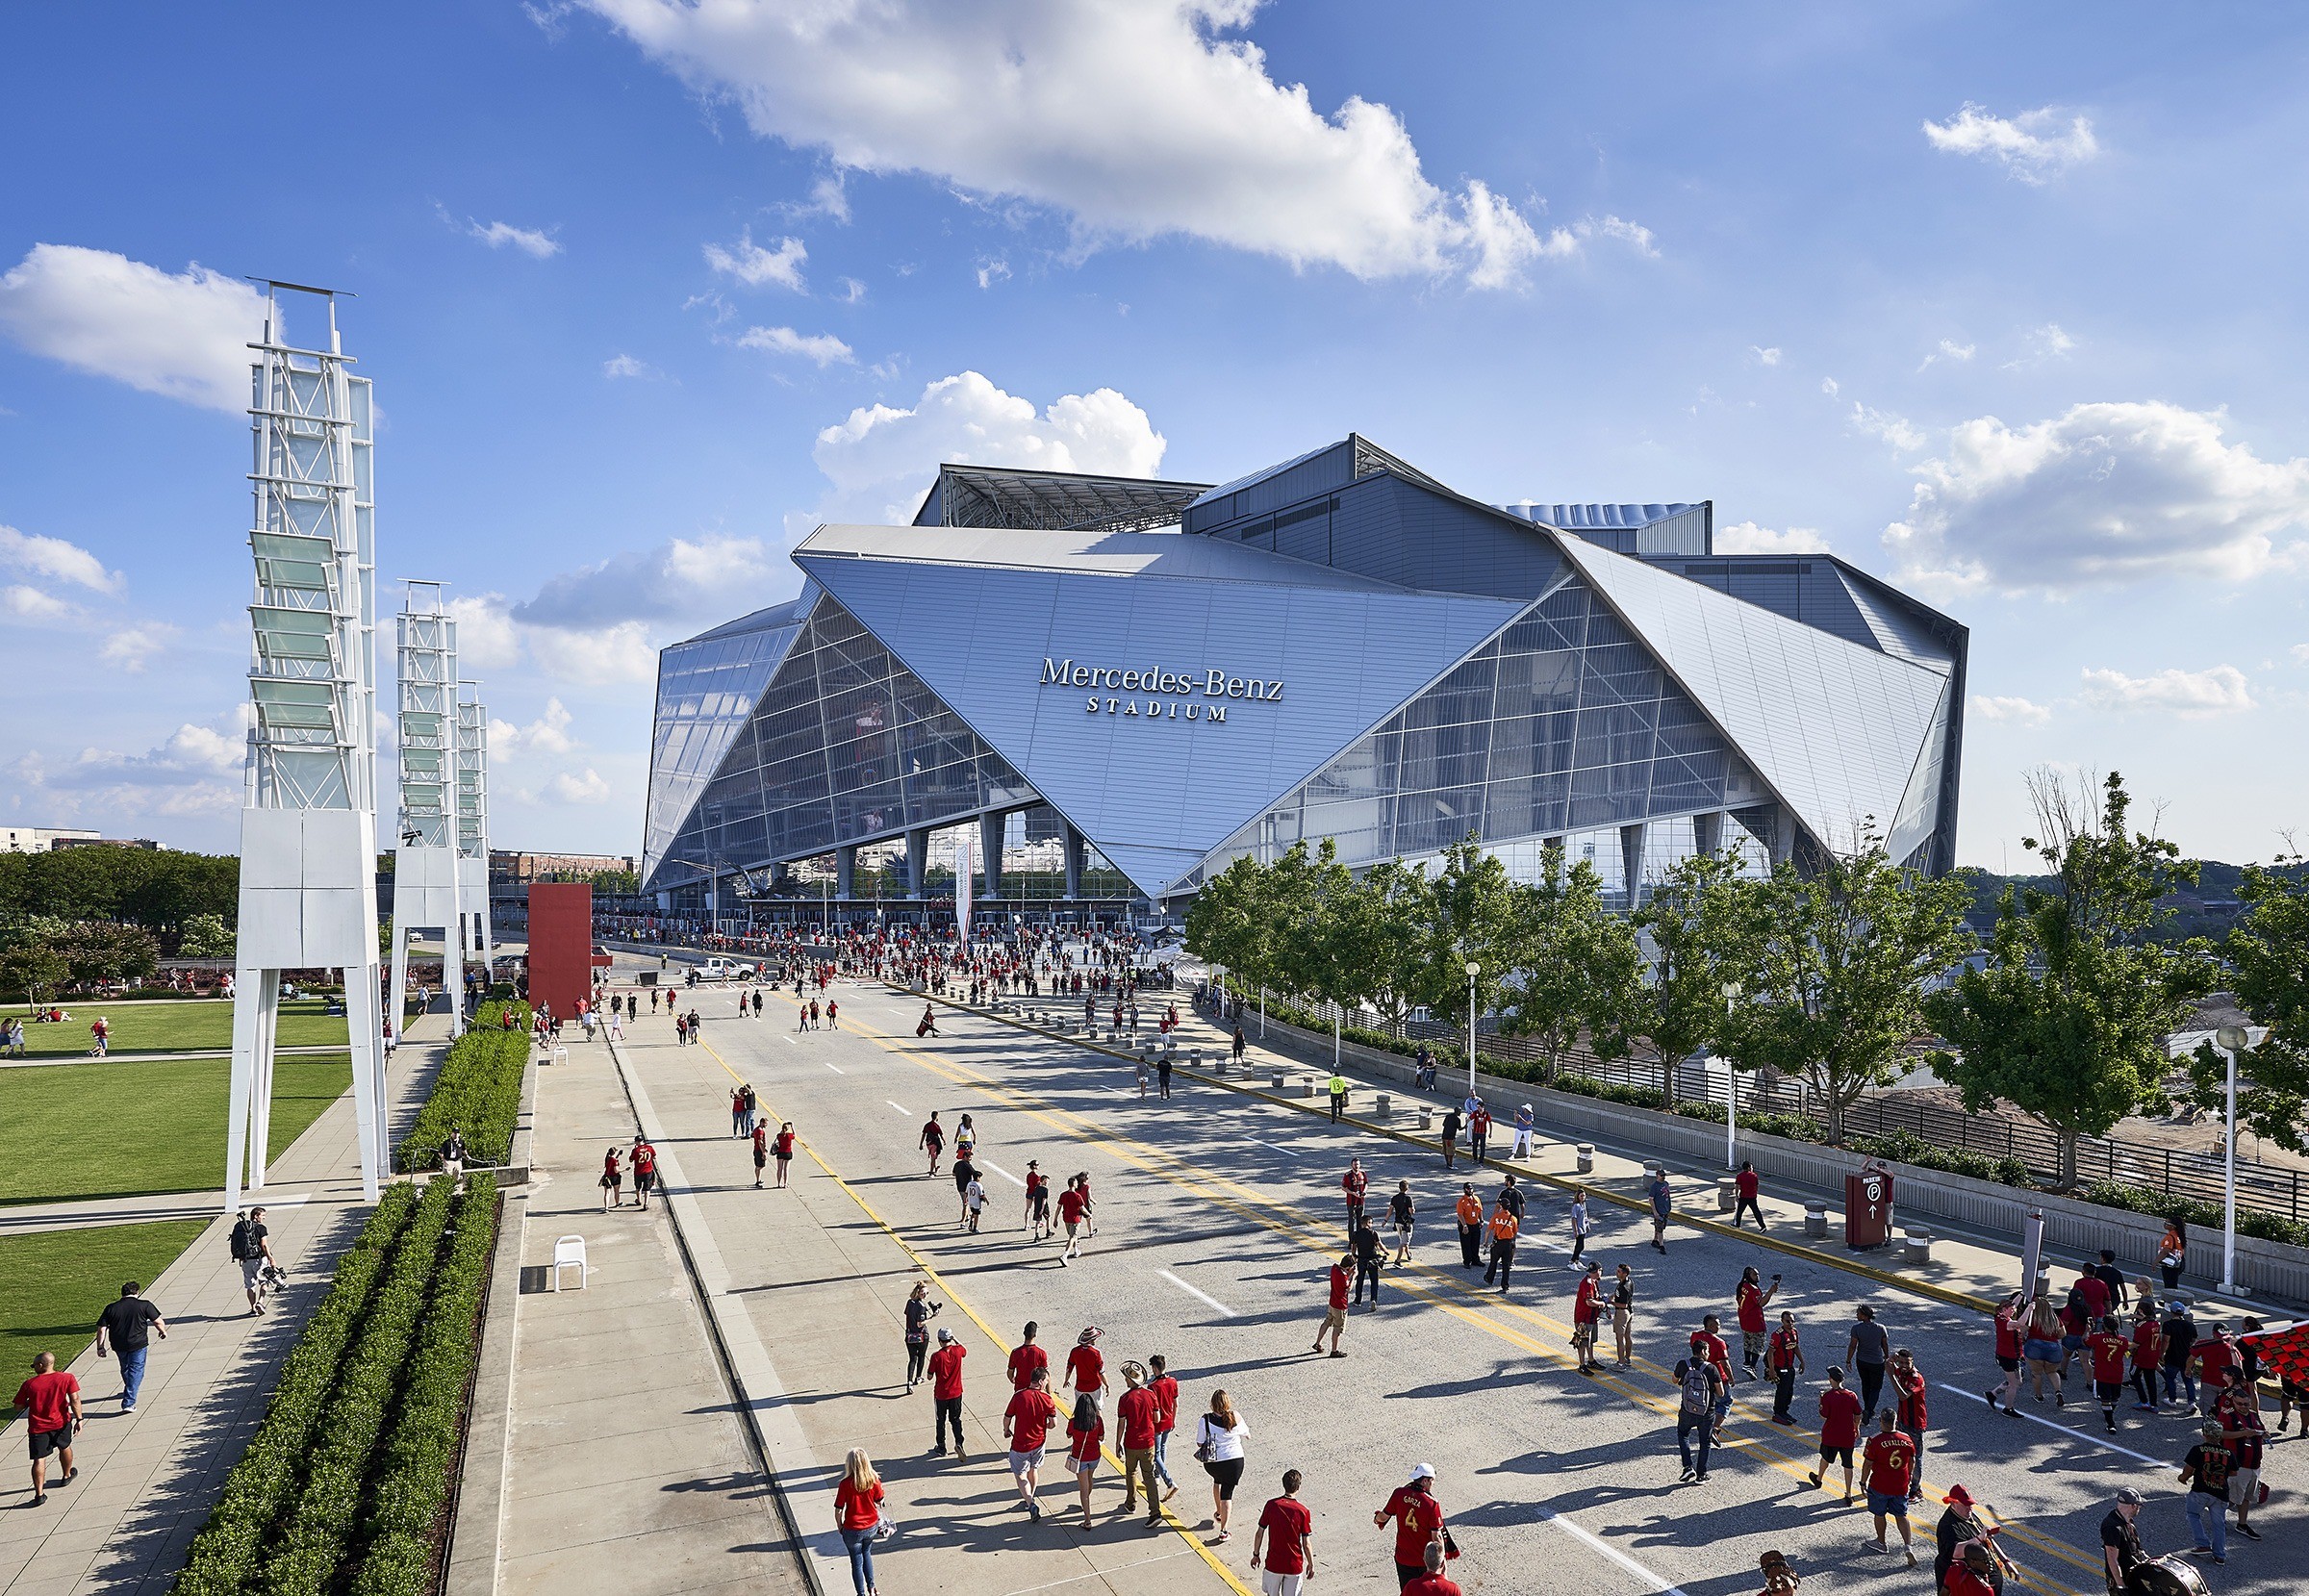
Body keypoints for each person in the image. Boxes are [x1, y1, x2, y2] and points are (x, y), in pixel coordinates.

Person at [14, 1350, 82, 1507]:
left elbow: (18, 1406)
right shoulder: (67, 1378)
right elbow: (75, 1399)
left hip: (38, 1428)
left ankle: (39, 1494)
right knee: (65, 1447)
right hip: (61, 1423)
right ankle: (66, 1475)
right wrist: (79, 1419)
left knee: (39, 1459)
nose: (33, 1369)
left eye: (34, 1366)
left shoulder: (29, 1384)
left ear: (40, 1365)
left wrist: (30, 1403)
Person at [94, 1281, 165, 1412]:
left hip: (118, 1344)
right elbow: (158, 1321)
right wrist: (162, 1331)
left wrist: (100, 1347)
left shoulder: (111, 1308)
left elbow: (101, 1329)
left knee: (126, 1368)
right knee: (136, 1370)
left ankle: (129, 1388)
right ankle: (129, 1402)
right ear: (137, 1292)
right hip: (138, 1344)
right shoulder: (144, 1305)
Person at [1375, 1462, 1449, 1587]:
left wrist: (1376, 1519)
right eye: (1432, 1481)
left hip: (1403, 1558)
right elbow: (1437, 1537)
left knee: (1407, 1591)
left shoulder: (1399, 1494)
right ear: (1425, 1481)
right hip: (1424, 1561)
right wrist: (1441, 1562)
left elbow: (1383, 1516)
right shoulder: (1431, 1504)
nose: (1433, 1484)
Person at [1860, 1410, 1919, 1565]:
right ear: (1895, 1420)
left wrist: (1862, 1482)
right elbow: (1912, 1460)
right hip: (1900, 1485)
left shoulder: (1875, 1440)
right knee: (1901, 1515)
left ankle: (1881, 1542)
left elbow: (1868, 1463)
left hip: (1880, 1484)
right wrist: (1909, 1476)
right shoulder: (1906, 1439)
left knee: (1880, 1514)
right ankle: (1908, 1546)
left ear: (1881, 1421)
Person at [2212, 1381, 2266, 1541]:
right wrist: (2242, 1434)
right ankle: (2217, 1519)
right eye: (2240, 1404)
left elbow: (2259, 1430)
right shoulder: (2227, 1415)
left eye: (2247, 1404)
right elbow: (2220, 1434)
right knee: (2229, 1497)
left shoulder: (2254, 1416)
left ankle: (2242, 1524)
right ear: (2233, 1402)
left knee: (2246, 1497)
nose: (2243, 1407)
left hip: (2254, 1465)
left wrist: (2263, 1434)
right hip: (2237, 1465)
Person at [1195, 1390, 1250, 1543]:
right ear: (1228, 1403)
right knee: (1227, 1494)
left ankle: (1219, 1512)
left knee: (1217, 1481)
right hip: (1234, 1462)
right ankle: (1224, 1531)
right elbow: (1246, 1433)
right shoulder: (1235, 1416)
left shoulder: (1205, 1420)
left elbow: (1200, 1443)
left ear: (1212, 1404)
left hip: (1213, 1463)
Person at [1252, 1468, 1315, 1595]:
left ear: (1283, 1484)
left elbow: (1259, 1533)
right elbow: (1306, 1544)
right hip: (1294, 1565)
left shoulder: (1271, 1505)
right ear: (1298, 1487)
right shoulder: (1303, 1511)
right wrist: (1311, 1564)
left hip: (1274, 1563)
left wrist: (1256, 1555)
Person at [2178, 1419, 2233, 1562]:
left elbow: (2189, 1469)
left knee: (2192, 1514)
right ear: (2220, 1436)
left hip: (2201, 1491)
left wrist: (2182, 1478)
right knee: (2219, 1524)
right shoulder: (2228, 1453)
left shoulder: (2198, 1450)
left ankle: (2202, 1544)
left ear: (2204, 1435)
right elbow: (2233, 1472)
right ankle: (2220, 1554)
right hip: (2221, 1494)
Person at [834, 1448, 885, 1596]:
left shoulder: (845, 1484)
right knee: (867, 1553)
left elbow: (838, 1509)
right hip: (871, 1526)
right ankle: (871, 1587)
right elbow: (880, 1501)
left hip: (852, 1529)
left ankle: (861, 1593)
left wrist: (840, 1525)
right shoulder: (873, 1480)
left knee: (856, 1562)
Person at [1808, 1366, 1863, 1502]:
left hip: (1831, 1435)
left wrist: (1821, 1402)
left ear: (1831, 1379)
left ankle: (1819, 1479)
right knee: (1848, 1464)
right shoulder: (1851, 1395)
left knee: (1825, 1458)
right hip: (1847, 1436)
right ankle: (1849, 1493)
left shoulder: (1827, 1396)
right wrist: (1856, 1427)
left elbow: (1823, 1416)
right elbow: (1858, 1414)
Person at [1933, 1486, 2002, 1593]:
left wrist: (2006, 1561)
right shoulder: (1949, 1526)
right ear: (1953, 1503)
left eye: (1970, 1504)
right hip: (1965, 1583)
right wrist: (1979, 1538)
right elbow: (1956, 1552)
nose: (1970, 1508)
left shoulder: (1968, 1515)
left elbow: (1987, 1540)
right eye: (1965, 1505)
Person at [1117, 1362, 1161, 1524]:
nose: (1125, 1381)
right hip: (1148, 1442)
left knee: (1131, 1472)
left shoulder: (1124, 1399)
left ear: (1130, 1380)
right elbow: (1157, 1418)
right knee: (1149, 1476)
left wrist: (1117, 1444)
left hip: (1131, 1442)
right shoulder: (1151, 1395)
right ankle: (1155, 1512)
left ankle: (1131, 1503)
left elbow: (1121, 1424)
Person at [1671, 1344, 1722, 1482]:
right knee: (1705, 1442)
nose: (1709, 1353)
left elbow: (1674, 1380)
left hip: (1687, 1409)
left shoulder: (1683, 1364)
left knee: (1683, 1434)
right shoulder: (1711, 1368)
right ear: (1703, 1351)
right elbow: (1721, 1393)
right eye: (1708, 1351)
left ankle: (1687, 1468)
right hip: (1706, 1412)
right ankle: (1701, 1474)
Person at [1890, 1347, 1929, 1499]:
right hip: (1902, 1420)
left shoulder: (1916, 1377)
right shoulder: (1902, 1371)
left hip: (1915, 1424)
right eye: (1902, 1362)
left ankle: (1915, 1488)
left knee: (1916, 1456)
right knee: (1901, 1452)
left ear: (1912, 1361)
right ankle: (1902, 1480)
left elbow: (1903, 1395)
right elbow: (1888, 1364)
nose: (1905, 1365)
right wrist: (1891, 1360)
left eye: (1908, 1362)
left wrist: (1891, 1375)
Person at [2084, 1315, 2132, 1433]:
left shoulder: (2098, 1337)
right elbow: (2127, 1351)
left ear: (2104, 1325)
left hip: (2102, 1373)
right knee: (2115, 1397)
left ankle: (2110, 1423)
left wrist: (2087, 1331)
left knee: (2105, 1399)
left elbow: (2086, 1342)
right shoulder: (2123, 1339)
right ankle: (2110, 1413)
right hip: (2117, 1373)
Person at [927, 1328, 968, 1458]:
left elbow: (929, 1376)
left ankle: (941, 1447)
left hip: (941, 1394)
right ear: (950, 1339)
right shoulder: (958, 1351)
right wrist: (954, 1339)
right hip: (956, 1393)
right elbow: (964, 1349)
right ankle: (959, 1442)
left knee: (941, 1421)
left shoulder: (936, 1356)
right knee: (956, 1419)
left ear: (939, 1341)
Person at [1845, 1304, 1890, 1420]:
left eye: (1858, 1313)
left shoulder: (1856, 1328)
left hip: (1862, 1361)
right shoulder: (1880, 1328)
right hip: (1877, 1362)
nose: (1856, 1315)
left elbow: (1852, 1346)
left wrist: (1848, 1360)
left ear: (1865, 1316)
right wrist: (1886, 1356)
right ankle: (1869, 1410)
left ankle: (1867, 1409)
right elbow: (1884, 1344)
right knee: (1875, 1388)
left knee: (1866, 1384)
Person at [2101, 1487, 2149, 1593]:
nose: (2139, 1509)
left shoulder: (2127, 1521)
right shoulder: (2113, 1527)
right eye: (2138, 1506)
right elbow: (2112, 1559)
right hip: (2122, 1580)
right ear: (2133, 1506)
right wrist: (2121, 1585)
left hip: (2132, 1575)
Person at [231, 1205, 276, 1316]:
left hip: (246, 1260)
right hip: (260, 1260)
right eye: (263, 1216)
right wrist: (271, 1258)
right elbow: (264, 1246)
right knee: (264, 1281)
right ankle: (260, 1302)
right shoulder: (261, 1228)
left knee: (250, 1286)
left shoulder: (241, 1228)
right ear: (256, 1216)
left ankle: (252, 1309)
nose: (264, 1218)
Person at [1736, 1267, 1780, 1379]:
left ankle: (1746, 1362)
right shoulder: (1753, 1289)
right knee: (1758, 1345)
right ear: (1748, 1275)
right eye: (1755, 1275)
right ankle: (1752, 1366)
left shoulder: (1743, 1286)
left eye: (1757, 1274)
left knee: (1747, 1342)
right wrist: (1771, 1291)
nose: (1757, 1277)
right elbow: (1761, 1303)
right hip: (1755, 1322)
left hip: (1744, 1320)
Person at [1149, 1353, 1181, 1504]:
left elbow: (1152, 1409)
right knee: (1162, 1449)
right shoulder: (1173, 1381)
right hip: (1169, 1421)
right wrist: (1173, 1419)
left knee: (1155, 1454)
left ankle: (1168, 1481)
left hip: (1157, 1424)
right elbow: (1176, 1404)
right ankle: (1157, 1475)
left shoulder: (1153, 1387)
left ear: (1155, 1368)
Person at [1767, 1310, 1805, 1424]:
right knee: (1782, 1392)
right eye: (1787, 1321)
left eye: (1792, 1321)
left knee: (1789, 1391)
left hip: (1790, 1367)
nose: (1790, 1323)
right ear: (1782, 1321)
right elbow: (1770, 1353)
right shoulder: (1777, 1335)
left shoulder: (1794, 1332)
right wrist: (1772, 1371)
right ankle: (1778, 1414)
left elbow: (1795, 1347)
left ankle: (1784, 1412)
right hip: (1780, 1368)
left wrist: (1802, 1361)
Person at [902, 1282, 941, 1391]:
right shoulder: (922, 1307)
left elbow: (908, 1316)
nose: (925, 1295)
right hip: (921, 1336)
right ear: (918, 1292)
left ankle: (909, 1382)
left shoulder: (909, 1302)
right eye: (923, 1293)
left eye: (926, 1293)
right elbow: (920, 1323)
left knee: (912, 1359)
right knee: (921, 1357)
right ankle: (918, 1377)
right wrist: (932, 1317)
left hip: (910, 1335)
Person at [1313, 1254, 1350, 1357]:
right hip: (1340, 1306)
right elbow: (1348, 1288)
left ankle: (1317, 1343)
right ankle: (1334, 1350)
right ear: (1348, 1268)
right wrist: (1353, 1275)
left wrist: (1348, 1273)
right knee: (1337, 1329)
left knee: (1327, 1322)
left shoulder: (1334, 1268)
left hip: (1332, 1303)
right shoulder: (1343, 1276)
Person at [1571, 1262, 1604, 1375]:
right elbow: (1589, 1302)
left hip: (1592, 1317)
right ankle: (1582, 1364)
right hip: (1583, 1318)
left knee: (1590, 1341)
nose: (1594, 1274)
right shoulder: (1587, 1283)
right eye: (1592, 1272)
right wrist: (1602, 1304)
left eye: (1595, 1272)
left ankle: (1591, 1360)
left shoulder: (1594, 1281)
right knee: (1582, 1342)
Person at [1482, 1197, 1518, 1292]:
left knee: (1493, 1262)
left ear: (1501, 1206)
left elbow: (1488, 1230)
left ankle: (1489, 1278)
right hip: (1508, 1244)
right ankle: (1505, 1286)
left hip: (1498, 1243)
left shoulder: (1496, 1217)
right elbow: (1514, 1232)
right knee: (1506, 1266)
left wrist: (1486, 1242)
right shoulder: (1513, 1219)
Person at [1066, 1326, 1108, 1406]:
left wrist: (1066, 1380)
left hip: (1080, 1387)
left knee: (1080, 1411)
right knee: (1098, 1411)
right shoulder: (1096, 1353)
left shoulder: (1074, 1351)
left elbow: (1069, 1368)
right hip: (1095, 1386)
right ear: (1092, 1340)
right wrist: (1107, 1385)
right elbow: (1101, 1372)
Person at [1008, 1321, 1049, 1393]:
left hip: (1020, 1390)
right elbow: (1045, 1374)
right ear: (1035, 1335)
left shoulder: (1015, 1352)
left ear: (1024, 1334)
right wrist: (1048, 1392)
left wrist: (1012, 1379)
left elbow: (1010, 1372)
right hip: (1036, 1390)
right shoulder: (1041, 1353)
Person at [1057, 1176, 1090, 1264]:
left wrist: (1055, 1219)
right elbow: (1082, 1209)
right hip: (1075, 1219)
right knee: (1072, 1237)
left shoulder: (1063, 1194)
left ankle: (1076, 1250)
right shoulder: (1077, 1196)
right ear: (1074, 1184)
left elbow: (1059, 1207)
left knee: (1072, 1236)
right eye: (1076, 1183)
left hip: (1066, 1218)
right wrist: (1089, 1214)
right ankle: (1065, 1255)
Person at [1352, 1218, 1383, 1308]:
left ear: (1361, 1224)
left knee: (1360, 1281)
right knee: (1374, 1281)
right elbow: (1379, 1245)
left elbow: (1353, 1248)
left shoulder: (1356, 1234)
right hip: (1372, 1260)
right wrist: (1386, 1252)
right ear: (1368, 1223)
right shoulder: (1373, 1233)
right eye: (1371, 1223)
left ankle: (1358, 1300)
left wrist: (1354, 1256)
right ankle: (1373, 1299)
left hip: (1361, 1260)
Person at [1611, 1264, 1637, 1367]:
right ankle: (1627, 1359)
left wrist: (1610, 1302)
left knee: (1619, 1339)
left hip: (1622, 1312)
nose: (1617, 1273)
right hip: (1629, 1311)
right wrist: (1611, 1297)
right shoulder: (1628, 1281)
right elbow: (1617, 1294)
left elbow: (1623, 1304)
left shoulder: (1623, 1288)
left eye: (1619, 1271)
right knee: (1627, 1336)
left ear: (1625, 1273)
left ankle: (1620, 1363)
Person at [1454, 1183, 1483, 1269]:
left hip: (1475, 1224)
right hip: (1466, 1225)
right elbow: (1460, 1214)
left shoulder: (1476, 1199)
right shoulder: (1462, 1201)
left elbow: (1480, 1210)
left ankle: (1475, 1260)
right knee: (1466, 1244)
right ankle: (1467, 1261)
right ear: (1464, 1190)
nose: (1470, 1191)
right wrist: (1464, 1226)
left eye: (1471, 1189)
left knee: (1476, 1243)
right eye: (1468, 1189)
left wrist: (1481, 1220)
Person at [1386, 1180, 1416, 1265]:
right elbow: (1411, 1211)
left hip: (1397, 1222)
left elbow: (1390, 1210)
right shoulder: (1408, 1198)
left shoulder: (1394, 1198)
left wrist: (1385, 1220)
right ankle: (1397, 1261)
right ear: (1407, 1188)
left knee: (1404, 1240)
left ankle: (1408, 1255)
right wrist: (1413, 1209)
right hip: (1406, 1223)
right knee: (1403, 1243)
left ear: (1399, 1187)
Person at [1733, 1159, 1765, 1229]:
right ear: (1748, 1168)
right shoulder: (1754, 1176)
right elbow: (1756, 1186)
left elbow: (1737, 1186)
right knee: (1756, 1212)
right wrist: (1755, 1194)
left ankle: (1737, 1225)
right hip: (1752, 1197)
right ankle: (1762, 1226)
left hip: (1743, 1196)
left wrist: (1736, 1195)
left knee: (1739, 1212)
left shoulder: (1739, 1176)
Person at [1647, 1167, 1672, 1253]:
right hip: (1659, 1211)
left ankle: (1655, 1240)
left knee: (1660, 1227)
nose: (1663, 1177)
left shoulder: (1666, 1184)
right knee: (1660, 1229)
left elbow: (1667, 1197)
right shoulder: (1654, 1186)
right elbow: (1651, 1199)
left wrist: (1669, 1207)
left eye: (1664, 1175)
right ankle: (1661, 1245)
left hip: (1665, 1209)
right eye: (1661, 1175)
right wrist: (1655, 1212)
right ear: (1657, 1176)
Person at [1342, 1158, 1369, 1236]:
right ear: (1352, 1165)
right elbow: (1343, 1187)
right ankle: (1351, 1240)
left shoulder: (1363, 1173)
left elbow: (1366, 1184)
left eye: (1357, 1164)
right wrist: (1352, 1193)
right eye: (1355, 1164)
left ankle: (1359, 1239)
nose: (1356, 1166)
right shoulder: (1348, 1175)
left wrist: (1364, 1191)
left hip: (1360, 1201)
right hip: (1351, 1202)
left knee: (1360, 1221)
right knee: (1351, 1221)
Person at [630, 1135, 658, 1211]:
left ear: (636, 1142)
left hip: (638, 1171)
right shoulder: (649, 1148)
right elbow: (654, 1157)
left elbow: (631, 1159)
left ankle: (639, 1200)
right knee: (647, 1188)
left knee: (638, 1187)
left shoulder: (635, 1150)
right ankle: (646, 1203)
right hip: (648, 1171)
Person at [1025, 1160, 1051, 1239]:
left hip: (1029, 1192)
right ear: (1035, 1166)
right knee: (1038, 1208)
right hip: (1036, 1194)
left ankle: (1027, 1224)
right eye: (1038, 1164)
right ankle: (1039, 1222)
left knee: (1028, 1209)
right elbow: (1037, 1186)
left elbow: (1029, 1184)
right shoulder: (1037, 1177)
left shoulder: (1029, 1175)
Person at [2158, 1221, 2186, 1290]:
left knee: (2169, 1285)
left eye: (2167, 1223)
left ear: (2173, 1226)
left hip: (2170, 1264)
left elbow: (2165, 1251)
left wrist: (2155, 1262)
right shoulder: (2179, 1235)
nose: (2165, 1224)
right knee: (2173, 1283)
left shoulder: (2170, 1237)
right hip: (2179, 1262)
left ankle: (2170, 1299)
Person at [919, 1111, 945, 1177]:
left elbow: (923, 1134)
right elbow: (941, 1135)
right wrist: (944, 1140)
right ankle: (931, 1171)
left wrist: (921, 1144)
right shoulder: (937, 1126)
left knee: (933, 1156)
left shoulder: (927, 1125)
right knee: (933, 1157)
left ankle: (935, 1168)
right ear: (936, 1117)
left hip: (928, 1143)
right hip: (935, 1144)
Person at [1569, 1188, 1591, 1263]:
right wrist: (1575, 1231)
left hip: (1583, 1227)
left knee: (1580, 1246)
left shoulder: (1583, 1205)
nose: (1583, 1197)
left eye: (1584, 1196)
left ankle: (1577, 1261)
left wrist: (1587, 1226)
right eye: (1581, 1196)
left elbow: (1585, 1216)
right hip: (1579, 1228)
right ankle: (1572, 1261)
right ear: (1578, 1196)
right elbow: (1574, 1218)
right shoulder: (1576, 1206)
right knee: (1579, 1246)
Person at [1467, 1101, 1491, 1165]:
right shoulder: (1475, 1113)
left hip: (1483, 1133)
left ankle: (1481, 1161)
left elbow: (1490, 1122)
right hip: (1475, 1132)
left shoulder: (1486, 1114)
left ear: (1482, 1107)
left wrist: (1490, 1133)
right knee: (1474, 1146)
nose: (1478, 1108)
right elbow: (1470, 1118)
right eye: (1477, 1107)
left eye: (1479, 1107)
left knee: (1482, 1147)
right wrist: (1467, 1123)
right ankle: (1475, 1159)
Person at [600, 1145, 623, 1209]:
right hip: (615, 1177)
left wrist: (618, 1155)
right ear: (614, 1153)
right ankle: (617, 1203)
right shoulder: (615, 1161)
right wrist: (624, 1169)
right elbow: (616, 1170)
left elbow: (612, 1160)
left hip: (607, 1177)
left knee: (607, 1193)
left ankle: (606, 1207)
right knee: (616, 1191)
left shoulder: (607, 1158)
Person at [1440, 1104, 1462, 1171]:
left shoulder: (1448, 1116)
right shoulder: (1457, 1119)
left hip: (1444, 1135)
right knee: (1451, 1151)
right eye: (1460, 1111)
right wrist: (1466, 1126)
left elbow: (1443, 1124)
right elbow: (1459, 1128)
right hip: (1450, 1138)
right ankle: (1450, 1164)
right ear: (1457, 1112)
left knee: (1445, 1150)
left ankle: (1447, 1163)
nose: (1460, 1113)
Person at [751, 1120, 769, 1189]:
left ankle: (758, 1179)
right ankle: (757, 1181)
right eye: (766, 1123)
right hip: (759, 1150)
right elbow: (760, 1142)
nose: (766, 1125)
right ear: (762, 1123)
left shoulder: (756, 1129)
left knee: (758, 1166)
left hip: (756, 1149)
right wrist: (763, 1152)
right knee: (760, 1166)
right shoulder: (760, 1131)